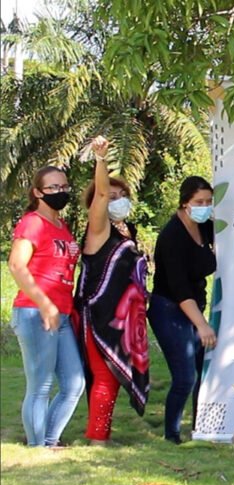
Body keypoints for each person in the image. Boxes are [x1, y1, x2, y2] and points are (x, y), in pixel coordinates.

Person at [74, 136, 150, 445]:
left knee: (112, 377)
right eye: (111, 196)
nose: (117, 199)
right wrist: (101, 159)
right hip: (98, 315)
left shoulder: (126, 231)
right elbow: (102, 192)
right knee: (105, 375)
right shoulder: (98, 227)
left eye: (123, 195)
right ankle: (97, 438)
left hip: (122, 321)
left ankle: (100, 433)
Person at [8, 165, 85, 447]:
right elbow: (16, 265)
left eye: (64, 186)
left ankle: (49, 441)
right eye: (53, 187)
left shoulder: (61, 226)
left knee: (74, 384)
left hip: (61, 313)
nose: (60, 192)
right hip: (35, 312)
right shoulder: (32, 223)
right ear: (38, 193)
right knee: (40, 385)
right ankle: (37, 447)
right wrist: (44, 304)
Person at [148, 176, 216, 444]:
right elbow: (179, 289)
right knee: (185, 376)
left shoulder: (207, 227)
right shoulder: (172, 236)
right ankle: (172, 434)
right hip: (169, 308)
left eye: (209, 202)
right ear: (185, 202)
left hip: (194, 306)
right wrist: (202, 325)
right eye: (199, 202)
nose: (205, 207)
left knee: (204, 372)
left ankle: (201, 427)